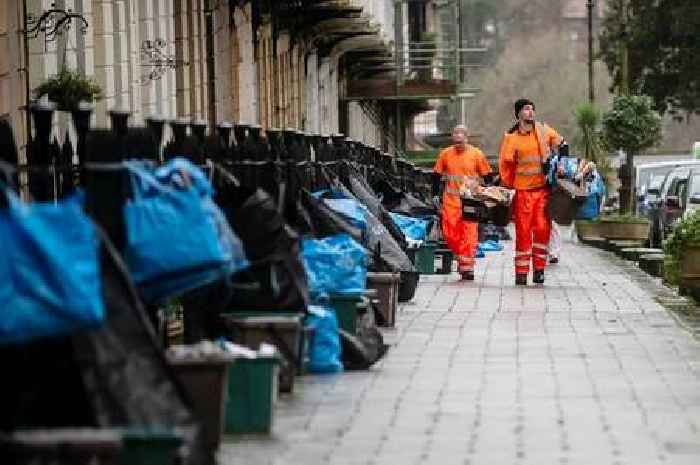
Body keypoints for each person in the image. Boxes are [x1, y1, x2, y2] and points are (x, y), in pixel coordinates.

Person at [498, 98, 565, 285]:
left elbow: (562, 145)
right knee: (523, 231)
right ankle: (521, 272)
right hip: (523, 193)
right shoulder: (511, 138)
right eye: (526, 109)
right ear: (518, 113)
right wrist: (509, 187)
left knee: (543, 230)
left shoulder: (544, 131)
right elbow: (506, 166)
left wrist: (561, 164)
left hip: (543, 191)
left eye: (532, 109)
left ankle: (539, 270)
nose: (530, 112)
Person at [433, 125, 493, 281]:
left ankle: (467, 267)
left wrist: (489, 193)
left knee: (469, 234)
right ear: (453, 137)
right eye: (456, 135)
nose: (458, 139)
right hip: (450, 201)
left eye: (461, 135)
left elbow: (487, 175)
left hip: (470, 201)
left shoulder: (476, 154)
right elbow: (436, 175)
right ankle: (462, 258)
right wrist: (434, 194)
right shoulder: (445, 154)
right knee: (449, 233)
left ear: (467, 137)